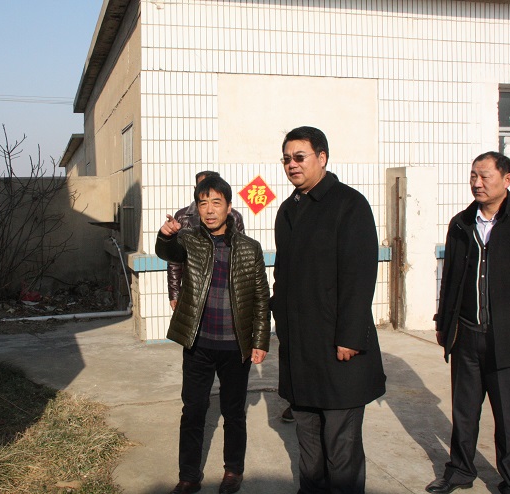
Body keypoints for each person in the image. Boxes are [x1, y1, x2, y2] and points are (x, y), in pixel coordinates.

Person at [426, 152, 510, 494]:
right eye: (473, 176)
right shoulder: (461, 223)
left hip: (509, 339)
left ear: (507, 179)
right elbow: (450, 278)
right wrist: (443, 323)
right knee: (464, 412)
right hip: (466, 335)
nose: (477, 183)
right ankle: (459, 471)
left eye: (485, 176)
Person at [272, 126, 386, 494]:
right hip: (300, 350)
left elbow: (359, 277)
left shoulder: (349, 204)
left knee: (341, 449)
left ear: (322, 158)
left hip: (339, 350)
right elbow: (282, 276)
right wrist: (281, 325)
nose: (292, 165)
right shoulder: (288, 210)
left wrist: (350, 337)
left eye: (299, 157)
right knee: (308, 445)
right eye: (286, 159)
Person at [156, 175, 271, 494]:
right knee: (193, 411)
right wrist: (165, 235)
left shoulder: (249, 248)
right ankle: (189, 476)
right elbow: (167, 252)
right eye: (203, 203)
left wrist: (260, 341)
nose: (209, 210)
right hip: (199, 345)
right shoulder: (189, 240)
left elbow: (261, 296)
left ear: (229, 207)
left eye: (216, 202)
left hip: (235, 346)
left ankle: (233, 471)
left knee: (234, 413)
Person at [167, 171, 245, 311]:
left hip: (226, 290)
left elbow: (242, 258)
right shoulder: (182, 217)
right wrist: (174, 293)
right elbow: (174, 261)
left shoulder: (234, 217)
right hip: (194, 291)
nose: (210, 210)